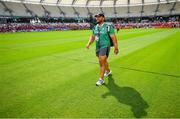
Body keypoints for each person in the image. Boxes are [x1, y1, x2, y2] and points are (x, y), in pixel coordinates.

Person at [86, 13, 119, 86]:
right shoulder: (95, 27)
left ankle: (101, 79)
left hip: (105, 46)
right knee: (103, 61)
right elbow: (92, 36)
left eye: (99, 17)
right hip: (98, 47)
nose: (97, 18)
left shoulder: (108, 27)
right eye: (96, 17)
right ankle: (108, 71)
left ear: (103, 18)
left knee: (101, 62)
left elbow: (113, 37)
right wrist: (89, 43)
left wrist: (116, 47)